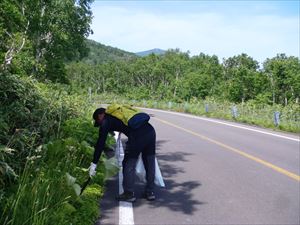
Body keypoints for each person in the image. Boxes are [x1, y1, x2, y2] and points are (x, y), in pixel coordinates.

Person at [89, 107, 156, 202]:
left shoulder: (105, 121)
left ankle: (129, 194)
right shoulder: (118, 113)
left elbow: (100, 143)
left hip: (137, 136)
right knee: (150, 162)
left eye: (98, 122)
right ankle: (150, 192)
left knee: (129, 163)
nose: (100, 125)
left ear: (100, 116)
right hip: (150, 132)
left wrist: (94, 163)